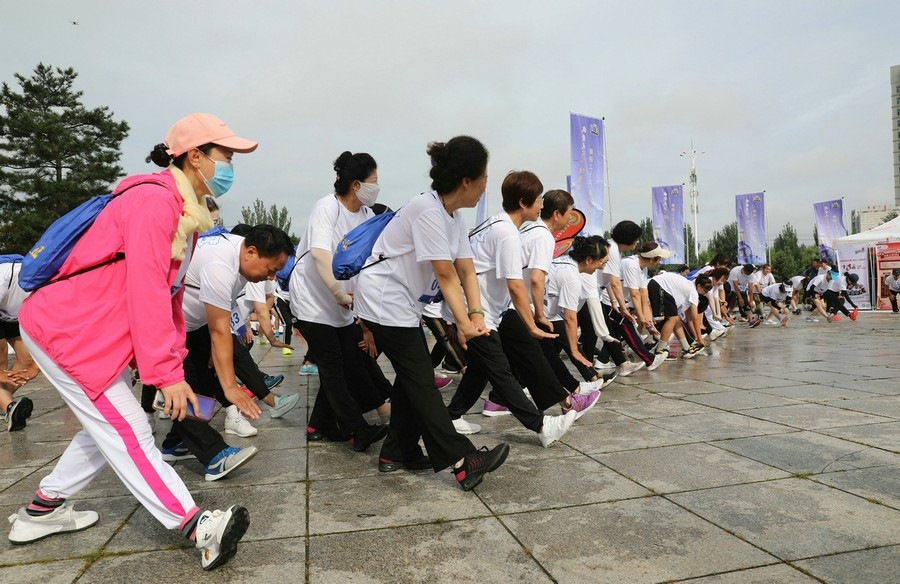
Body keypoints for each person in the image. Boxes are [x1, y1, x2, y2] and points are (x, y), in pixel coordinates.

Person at [9, 113, 256, 569]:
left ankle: (42, 510)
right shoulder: (153, 201)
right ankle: (196, 525)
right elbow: (145, 289)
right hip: (67, 330)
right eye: (226, 155)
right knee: (130, 430)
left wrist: (169, 363)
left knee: (108, 425)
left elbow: (169, 296)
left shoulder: (186, 214)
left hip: (92, 336)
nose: (230, 166)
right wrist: (165, 374)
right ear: (195, 156)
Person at [355, 136, 509, 489]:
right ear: (467, 181)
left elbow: (466, 270)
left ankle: (398, 452)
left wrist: (476, 315)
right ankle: (462, 459)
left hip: (404, 303)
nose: (485, 187)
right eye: (484, 180)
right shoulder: (427, 210)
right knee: (421, 380)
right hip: (384, 301)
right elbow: (445, 274)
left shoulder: (454, 217)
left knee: (413, 378)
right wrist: (464, 326)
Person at [446, 171, 590, 443]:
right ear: (523, 202)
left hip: (482, 307)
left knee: (479, 367)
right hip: (477, 311)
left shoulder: (495, 223)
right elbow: (515, 286)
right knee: (500, 369)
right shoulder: (508, 234)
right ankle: (541, 426)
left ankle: (452, 415)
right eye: (538, 200)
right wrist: (532, 324)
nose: (541, 205)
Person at [289, 151, 390, 448]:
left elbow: (368, 263)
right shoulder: (327, 207)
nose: (377, 187)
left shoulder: (367, 216)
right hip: (313, 300)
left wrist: (364, 316)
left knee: (349, 361)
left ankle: (318, 425)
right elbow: (320, 254)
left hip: (343, 302)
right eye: (373, 181)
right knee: (332, 366)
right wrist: (337, 293)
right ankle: (357, 429)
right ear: (356, 184)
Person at [0, 257, 39, 431]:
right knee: (1, 356)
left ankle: (3, 401)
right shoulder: (3, 277)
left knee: (28, 360)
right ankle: (9, 408)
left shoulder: (51, 288)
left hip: (11, 313)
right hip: (6, 300)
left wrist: (36, 367)